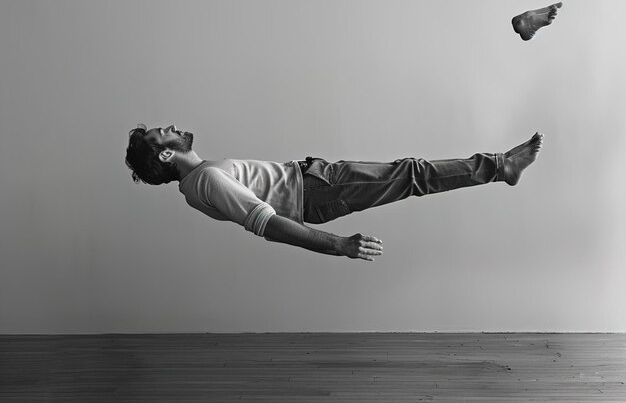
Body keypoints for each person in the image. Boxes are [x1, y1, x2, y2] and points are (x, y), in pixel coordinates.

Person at [125, 125, 543, 261]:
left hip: (315, 182)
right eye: (167, 132)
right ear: (165, 154)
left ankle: (499, 165)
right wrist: (340, 245)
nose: (175, 126)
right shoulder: (206, 182)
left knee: (410, 174)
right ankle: (500, 166)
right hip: (315, 192)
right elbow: (266, 225)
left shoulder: (196, 185)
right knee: (413, 174)